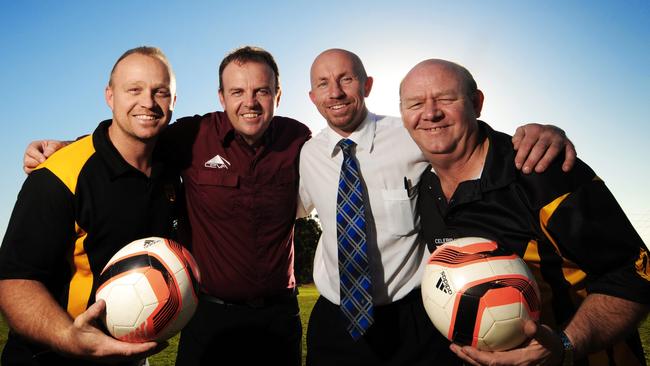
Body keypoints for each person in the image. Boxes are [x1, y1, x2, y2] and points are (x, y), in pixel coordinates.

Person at [22, 46, 310, 366]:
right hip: (209, 318)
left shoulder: (299, 140)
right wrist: (66, 146)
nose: (250, 102)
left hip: (280, 316)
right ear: (221, 96)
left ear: (278, 94)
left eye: (262, 91)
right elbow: (130, 136)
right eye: (237, 91)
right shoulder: (194, 135)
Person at [297, 48, 577, 366]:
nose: (335, 92)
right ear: (312, 96)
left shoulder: (412, 134)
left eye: (346, 79)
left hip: (414, 316)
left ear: (367, 85)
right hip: (335, 320)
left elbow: (473, 143)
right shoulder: (308, 155)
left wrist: (543, 134)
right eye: (323, 83)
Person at [400, 59, 650, 365]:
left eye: (446, 99)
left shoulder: (543, 171)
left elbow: (636, 274)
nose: (430, 113)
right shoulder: (423, 187)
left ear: (477, 103)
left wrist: (564, 346)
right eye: (415, 103)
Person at [0, 46, 180, 365]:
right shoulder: (57, 175)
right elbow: (14, 282)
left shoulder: (173, 169)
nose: (148, 102)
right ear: (110, 96)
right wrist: (69, 337)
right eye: (133, 89)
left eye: (160, 92)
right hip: (51, 356)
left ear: (173, 101)